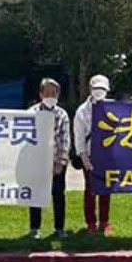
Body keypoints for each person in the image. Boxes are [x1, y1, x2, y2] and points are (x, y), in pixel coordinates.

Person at [28, 78, 70, 239]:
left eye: (54, 93)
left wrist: (60, 162)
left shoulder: (62, 114)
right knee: (36, 195)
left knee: (58, 195)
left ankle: (59, 228)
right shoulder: (31, 113)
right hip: (37, 162)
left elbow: (65, 140)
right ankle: (35, 228)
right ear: (40, 94)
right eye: (47, 93)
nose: (51, 95)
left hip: (57, 162)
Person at [74, 74, 113, 236]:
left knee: (106, 189)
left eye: (102, 89)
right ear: (90, 90)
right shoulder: (82, 111)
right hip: (89, 156)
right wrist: (84, 157)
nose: (99, 92)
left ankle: (104, 222)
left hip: (108, 156)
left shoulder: (113, 108)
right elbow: (79, 136)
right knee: (90, 190)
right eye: (96, 89)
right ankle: (91, 222)